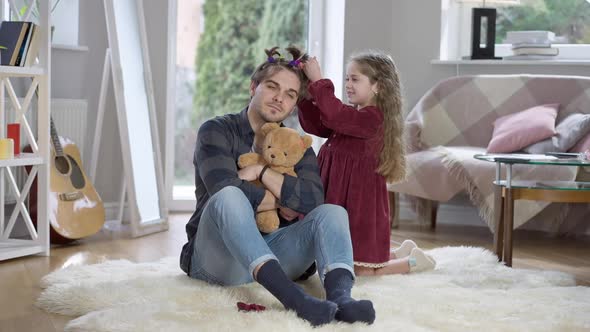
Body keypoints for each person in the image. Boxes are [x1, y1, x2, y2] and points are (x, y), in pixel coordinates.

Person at [179, 46, 375, 326]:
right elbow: (223, 186)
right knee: (229, 195)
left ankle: (342, 299)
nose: (279, 99)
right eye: (272, 87)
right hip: (216, 259)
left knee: (333, 212)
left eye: (290, 94)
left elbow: (313, 200)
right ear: (253, 87)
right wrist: (283, 198)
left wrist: (262, 170)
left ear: (294, 104)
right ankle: (295, 299)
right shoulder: (216, 130)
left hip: (272, 255)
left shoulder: (296, 145)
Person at [297, 51, 436, 276]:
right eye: (347, 79)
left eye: (355, 79)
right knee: (339, 254)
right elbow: (319, 125)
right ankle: (398, 253)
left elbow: (335, 116)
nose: (348, 85)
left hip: (357, 201)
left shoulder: (373, 119)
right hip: (336, 193)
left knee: (359, 269)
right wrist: (304, 96)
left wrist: (319, 81)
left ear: (378, 87)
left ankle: (412, 262)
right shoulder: (353, 116)